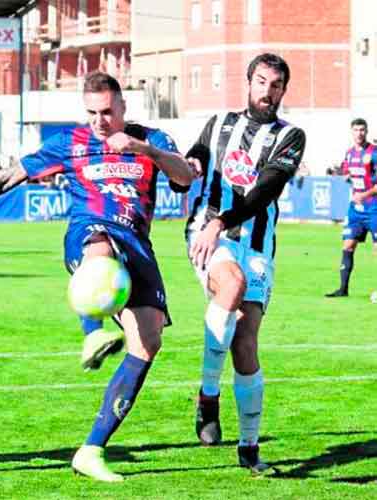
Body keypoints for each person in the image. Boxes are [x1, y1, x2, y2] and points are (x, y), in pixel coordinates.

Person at [0, 71, 194, 481]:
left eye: (107, 112)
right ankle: (91, 330)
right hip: (89, 233)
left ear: (123, 107)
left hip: (138, 245)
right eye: (91, 112)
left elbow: (185, 177)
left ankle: (91, 450)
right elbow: (9, 176)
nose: (99, 121)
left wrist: (142, 148)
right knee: (100, 250)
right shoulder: (70, 144)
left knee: (148, 341)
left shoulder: (152, 139)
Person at [178, 53, 306, 475]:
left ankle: (249, 448)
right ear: (248, 82)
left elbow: (266, 190)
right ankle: (208, 396)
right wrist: (188, 167)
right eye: (261, 82)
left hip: (256, 244)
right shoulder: (218, 124)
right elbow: (195, 158)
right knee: (229, 285)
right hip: (210, 234)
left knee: (245, 343)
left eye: (276, 85)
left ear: (283, 91)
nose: (267, 92)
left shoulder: (291, 136)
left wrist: (223, 220)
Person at [325, 118, 377, 297]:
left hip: (374, 208)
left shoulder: (374, 153)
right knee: (348, 245)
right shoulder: (349, 154)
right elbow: (346, 172)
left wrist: (363, 195)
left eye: (362, 130)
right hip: (355, 209)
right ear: (352, 132)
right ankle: (343, 289)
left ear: (367, 131)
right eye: (356, 130)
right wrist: (344, 175)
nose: (359, 133)